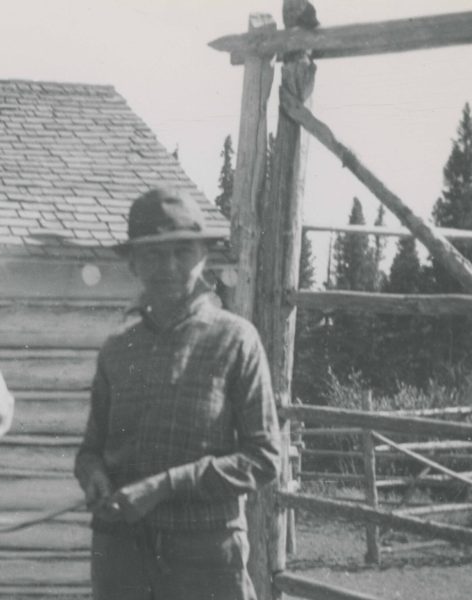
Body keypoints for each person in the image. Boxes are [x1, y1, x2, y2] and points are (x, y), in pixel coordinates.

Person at [75, 188, 281, 600]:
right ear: (132, 262)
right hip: (122, 559)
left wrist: (165, 486)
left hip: (204, 562)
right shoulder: (118, 349)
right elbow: (90, 451)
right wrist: (93, 475)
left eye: (182, 252)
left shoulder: (236, 340)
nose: (167, 267)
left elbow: (264, 459)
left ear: (204, 257)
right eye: (152, 254)